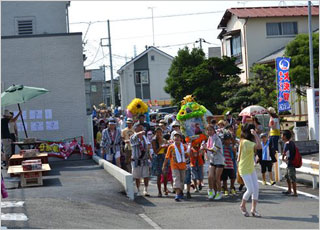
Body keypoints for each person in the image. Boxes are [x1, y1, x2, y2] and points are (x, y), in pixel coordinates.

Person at [238, 123, 262, 217]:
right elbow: (259, 146)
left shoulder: (243, 141)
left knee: (256, 188)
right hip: (244, 168)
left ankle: (253, 209)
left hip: (249, 167)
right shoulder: (247, 142)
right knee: (250, 189)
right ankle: (242, 205)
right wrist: (256, 135)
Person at [162, 130, 191, 202]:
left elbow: (187, 156)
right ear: (173, 138)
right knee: (176, 179)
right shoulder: (171, 147)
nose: (177, 138)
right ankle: (177, 194)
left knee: (182, 180)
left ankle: (180, 192)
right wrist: (164, 165)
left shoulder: (184, 146)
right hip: (174, 166)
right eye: (175, 137)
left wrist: (187, 153)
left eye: (178, 137)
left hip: (183, 166)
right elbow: (167, 157)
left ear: (181, 139)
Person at [202, 125, 224, 200]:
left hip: (219, 160)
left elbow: (214, 149)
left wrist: (206, 148)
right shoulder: (209, 138)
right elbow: (208, 150)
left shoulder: (217, 139)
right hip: (212, 160)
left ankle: (219, 192)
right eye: (208, 130)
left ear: (214, 131)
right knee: (210, 177)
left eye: (210, 130)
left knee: (217, 178)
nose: (209, 132)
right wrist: (204, 148)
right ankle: (211, 191)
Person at [130, 123, 151, 196]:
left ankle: (146, 189)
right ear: (135, 128)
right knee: (137, 176)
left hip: (144, 160)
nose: (141, 129)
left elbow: (148, 145)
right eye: (139, 127)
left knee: (146, 175)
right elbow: (134, 139)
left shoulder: (145, 137)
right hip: (136, 160)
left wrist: (149, 155)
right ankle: (138, 190)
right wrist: (139, 133)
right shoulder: (133, 137)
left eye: (141, 127)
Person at [151, 127, 169, 197]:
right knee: (159, 175)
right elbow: (156, 152)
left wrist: (166, 147)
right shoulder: (154, 140)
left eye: (160, 132)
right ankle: (159, 191)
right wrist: (161, 147)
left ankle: (165, 188)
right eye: (157, 132)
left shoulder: (164, 140)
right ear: (155, 133)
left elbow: (166, 151)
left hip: (163, 157)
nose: (159, 134)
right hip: (157, 158)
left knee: (165, 174)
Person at [281, 130, 297, 197]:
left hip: (291, 163)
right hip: (290, 163)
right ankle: (289, 190)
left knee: (292, 177)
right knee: (287, 176)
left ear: (285, 136)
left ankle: (295, 192)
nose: (281, 136)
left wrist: (283, 158)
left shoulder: (287, 143)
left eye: (282, 135)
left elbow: (285, 153)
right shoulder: (291, 142)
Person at [221, 132, 237, 196]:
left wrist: (234, 151)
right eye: (226, 139)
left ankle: (232, 187)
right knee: (224, 178)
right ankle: (225, 189)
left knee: (232, 177)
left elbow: (235, 156)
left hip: (230, 165)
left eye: (229, 139)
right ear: (224, 140)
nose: (228, 141)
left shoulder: (231, 147)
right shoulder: (222, 147)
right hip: (224, 165)